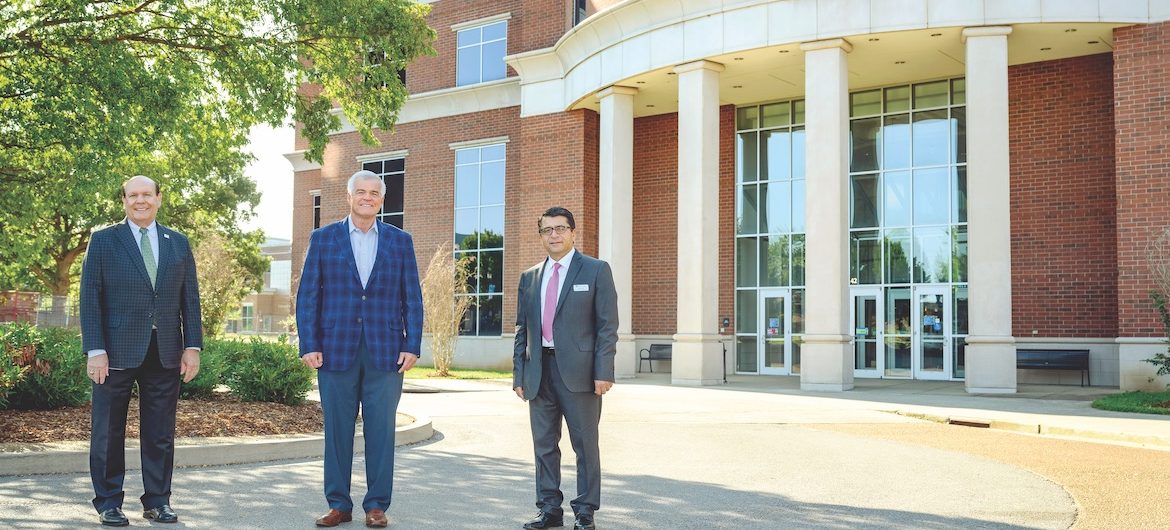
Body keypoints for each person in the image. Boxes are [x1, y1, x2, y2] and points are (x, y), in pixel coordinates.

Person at [296, 170, 424, 528]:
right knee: (337, 431)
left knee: (381, 431)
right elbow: (308, 296)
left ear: (381, 200)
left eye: (374, 193)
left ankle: (377, 506)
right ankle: (339, 504)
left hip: (387, 351)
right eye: (361, 192)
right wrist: (309, 343)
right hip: (334, 349)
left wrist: (412, 344)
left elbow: (412, 298)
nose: (368, 197)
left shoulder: (400, 241)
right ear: (349, 197)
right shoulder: (324, 238)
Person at [80, 175, 203, 526]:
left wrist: (192, 346)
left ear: (159, 198)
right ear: (124, 201)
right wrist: (95, 349)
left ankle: (158, 500)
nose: (140, 200)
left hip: (165, 350)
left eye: (146, 194)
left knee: (160, 431)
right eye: (133, 195)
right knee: (108, 431)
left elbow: (190, 299)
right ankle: (108, 502)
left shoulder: (178, 242)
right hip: (114, 352)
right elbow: (89, 298)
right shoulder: (103, 240)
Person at [513, 207, 618, 530]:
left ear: (573, 232)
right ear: (541, 236)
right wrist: (518, 374)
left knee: (585, 446)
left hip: (581, 375)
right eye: (547, 230)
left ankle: (585, 511)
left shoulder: (596, 270)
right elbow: (521, 329)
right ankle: (549, 509)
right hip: (538, 372)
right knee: (544, 446)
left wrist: (604, 371)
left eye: (560, 228)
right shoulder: (530, 277)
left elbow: (607, 327)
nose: (554, 235)